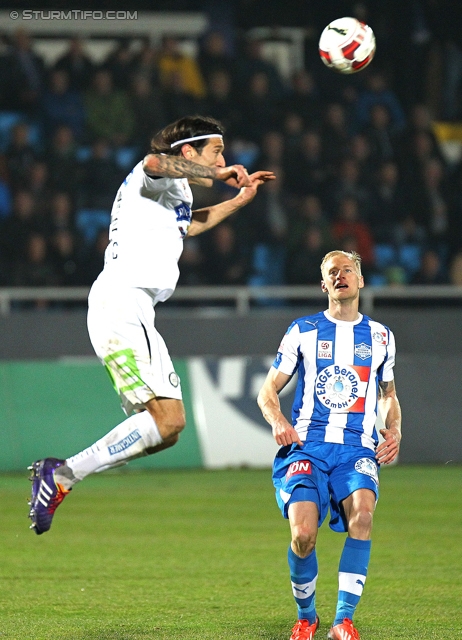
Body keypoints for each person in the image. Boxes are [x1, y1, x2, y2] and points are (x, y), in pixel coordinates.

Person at [28, 114, 275, 535]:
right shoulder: (155, 175)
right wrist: (215, 173)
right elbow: (154, 163)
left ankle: (63, 474)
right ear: (189, 152)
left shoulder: (173, 194)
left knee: (169, 428)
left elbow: (189, 224)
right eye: (217, 150)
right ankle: (62, 475)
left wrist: (237, 200)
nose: (223, 159)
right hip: (122, 300)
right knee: (167, 421)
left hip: (136, 308)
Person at [257, 250, 401, 640]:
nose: (341, 276)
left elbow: (388, 394)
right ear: (324, 285)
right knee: (302, 534)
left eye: (348, 270)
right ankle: (307, 617)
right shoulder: (302, 330)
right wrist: (278, 421)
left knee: (364, 517)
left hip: (356, 449)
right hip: (308, 448)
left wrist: (395, 429)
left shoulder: (380, 336)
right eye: (332, 272)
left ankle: (343, 620)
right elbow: (268, 390)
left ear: (360, 280)